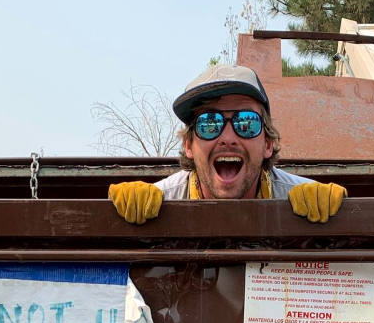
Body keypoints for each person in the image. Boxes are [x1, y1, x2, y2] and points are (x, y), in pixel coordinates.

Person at [109, 64, 347, 224]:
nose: (228, 137)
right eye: (209, 123)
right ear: (188, 145)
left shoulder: (302, 202)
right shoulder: (159, 204)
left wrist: (339, 222)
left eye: (246, 122)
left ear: (267, 143)